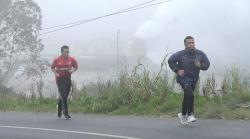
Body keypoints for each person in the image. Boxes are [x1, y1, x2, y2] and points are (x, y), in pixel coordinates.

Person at [168, 36, 210, 124]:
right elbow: (170, 61)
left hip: (194, 79)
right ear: (185, 45)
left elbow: (207, 64)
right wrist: (177, 70)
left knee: (187, 96)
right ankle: (190, 114)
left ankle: (183, 114)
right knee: (190, 94)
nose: (191, 44)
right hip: (183, 78)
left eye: (192, 42)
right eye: (189, 43)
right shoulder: (180, 54)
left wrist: (200, 66)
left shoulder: (200, 54)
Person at [51, 45, 78, 119]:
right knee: (63, 96)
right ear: (62, 52)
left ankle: (59, 107)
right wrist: (56, 73)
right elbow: (52, 67)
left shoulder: (72, 59)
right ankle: (66, 113)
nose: (67, 53)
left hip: (68, 79)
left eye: (68, 52)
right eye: (66, 52)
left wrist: (72, 70)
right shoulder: (57, 60)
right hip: (60, 79)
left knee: (65, 95)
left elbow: (76, 67)